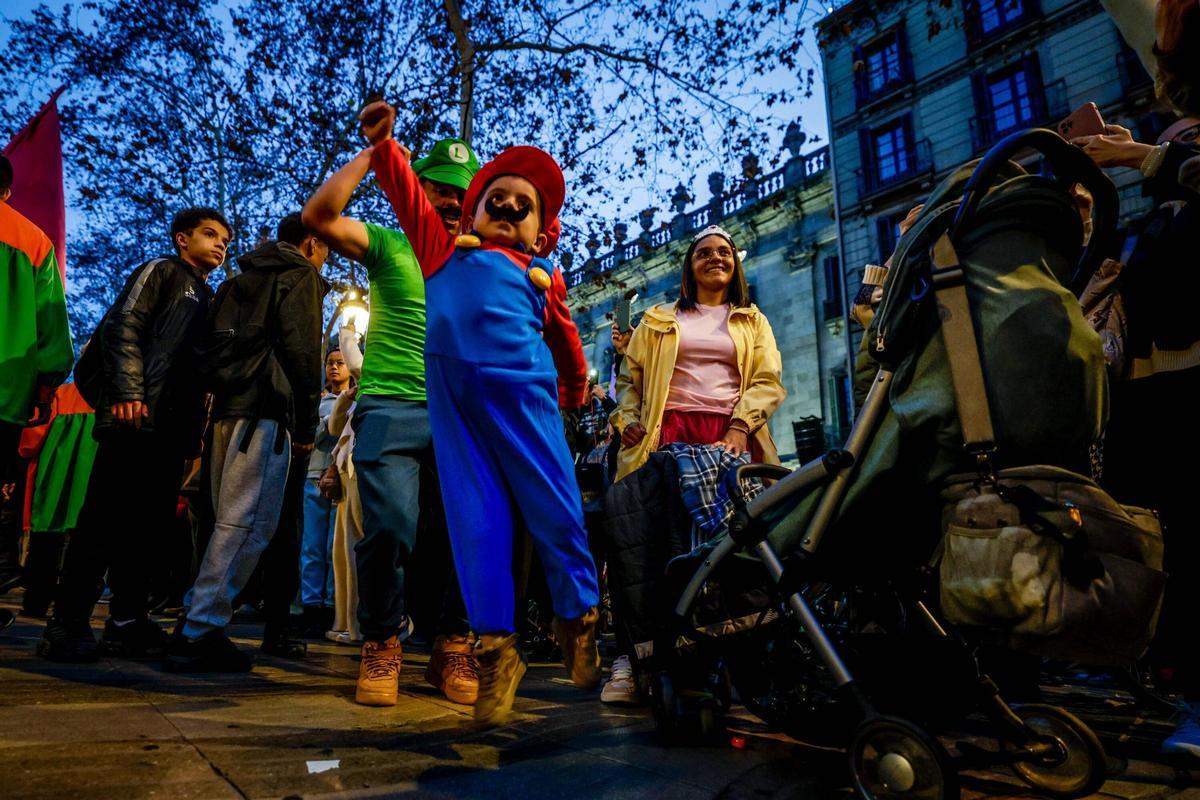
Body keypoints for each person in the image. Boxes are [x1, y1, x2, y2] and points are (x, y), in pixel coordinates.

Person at [361, 100, 599, 724]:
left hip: (528, 400)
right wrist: (386, 149)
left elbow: (567, 342)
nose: (511, 204)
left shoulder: (543, 277)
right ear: (474, 210)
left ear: (541, 231)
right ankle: (495, 651)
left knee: (553, 504)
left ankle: (577, 616)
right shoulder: (440, 253)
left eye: (526, 203)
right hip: (456, 411)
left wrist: (573, 394)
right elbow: (408, 197)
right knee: (477, 525)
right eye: (499, 194)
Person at [302, 135, 480, 707]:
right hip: (389, 406)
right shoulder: (387, 244)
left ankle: (453, 644)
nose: (451, 201)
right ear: (415, 191)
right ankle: (381, 642)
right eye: (438, 189)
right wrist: (376, 154)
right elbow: (319, 215)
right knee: (389, 527)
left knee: (465, 535)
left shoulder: (483, 262)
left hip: (461, 415)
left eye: (462, 193)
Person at [38, 207, 228, 662]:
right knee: (102, 521)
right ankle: (66, 623)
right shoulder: (160, 270)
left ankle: (127, 623)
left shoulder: (208, 296)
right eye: (210, 234)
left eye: (225, 239)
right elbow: (125, 324)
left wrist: (195, 432)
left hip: (169, 432)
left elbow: (198, 371)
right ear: (182, 238)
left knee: (149, 531)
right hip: (133, 417)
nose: (221, 244)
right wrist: (127, 390)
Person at [164, 212, 328, 672]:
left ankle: (196, 619)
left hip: (227, 411)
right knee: (247, 525)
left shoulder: (239, 280)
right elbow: (301, 352)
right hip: (267, 410)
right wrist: (305, 425)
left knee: (225, 522)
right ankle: (199, 630)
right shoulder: (300, 275)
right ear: (313, 242)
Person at [610, 224, 786, 482]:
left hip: (731, 431)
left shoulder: (755, 321)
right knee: (670, 516)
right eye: (704, 253)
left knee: (736, 516)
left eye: (724, 252)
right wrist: (628, 421)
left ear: (734, 264)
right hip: (667, 430)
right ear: (689, 267)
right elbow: (629, 380)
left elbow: (767, 381)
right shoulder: (656, 319)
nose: (715, 257)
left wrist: (741, 427)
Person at [0, 154, 73, 486]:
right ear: (7, 192)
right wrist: (45, 392)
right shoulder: (35, 241)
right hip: (7, 396)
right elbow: (52, 325)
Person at [299, 347, 352, 621]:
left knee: (336, 546)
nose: (334, 367)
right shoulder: (318, 402)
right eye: (330, 363)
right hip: (314, 476)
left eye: (340, 362)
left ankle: (334, 603)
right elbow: (316, 436)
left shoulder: (356, 401)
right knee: (312, 544)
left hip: (344, 479)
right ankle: (311, 604)